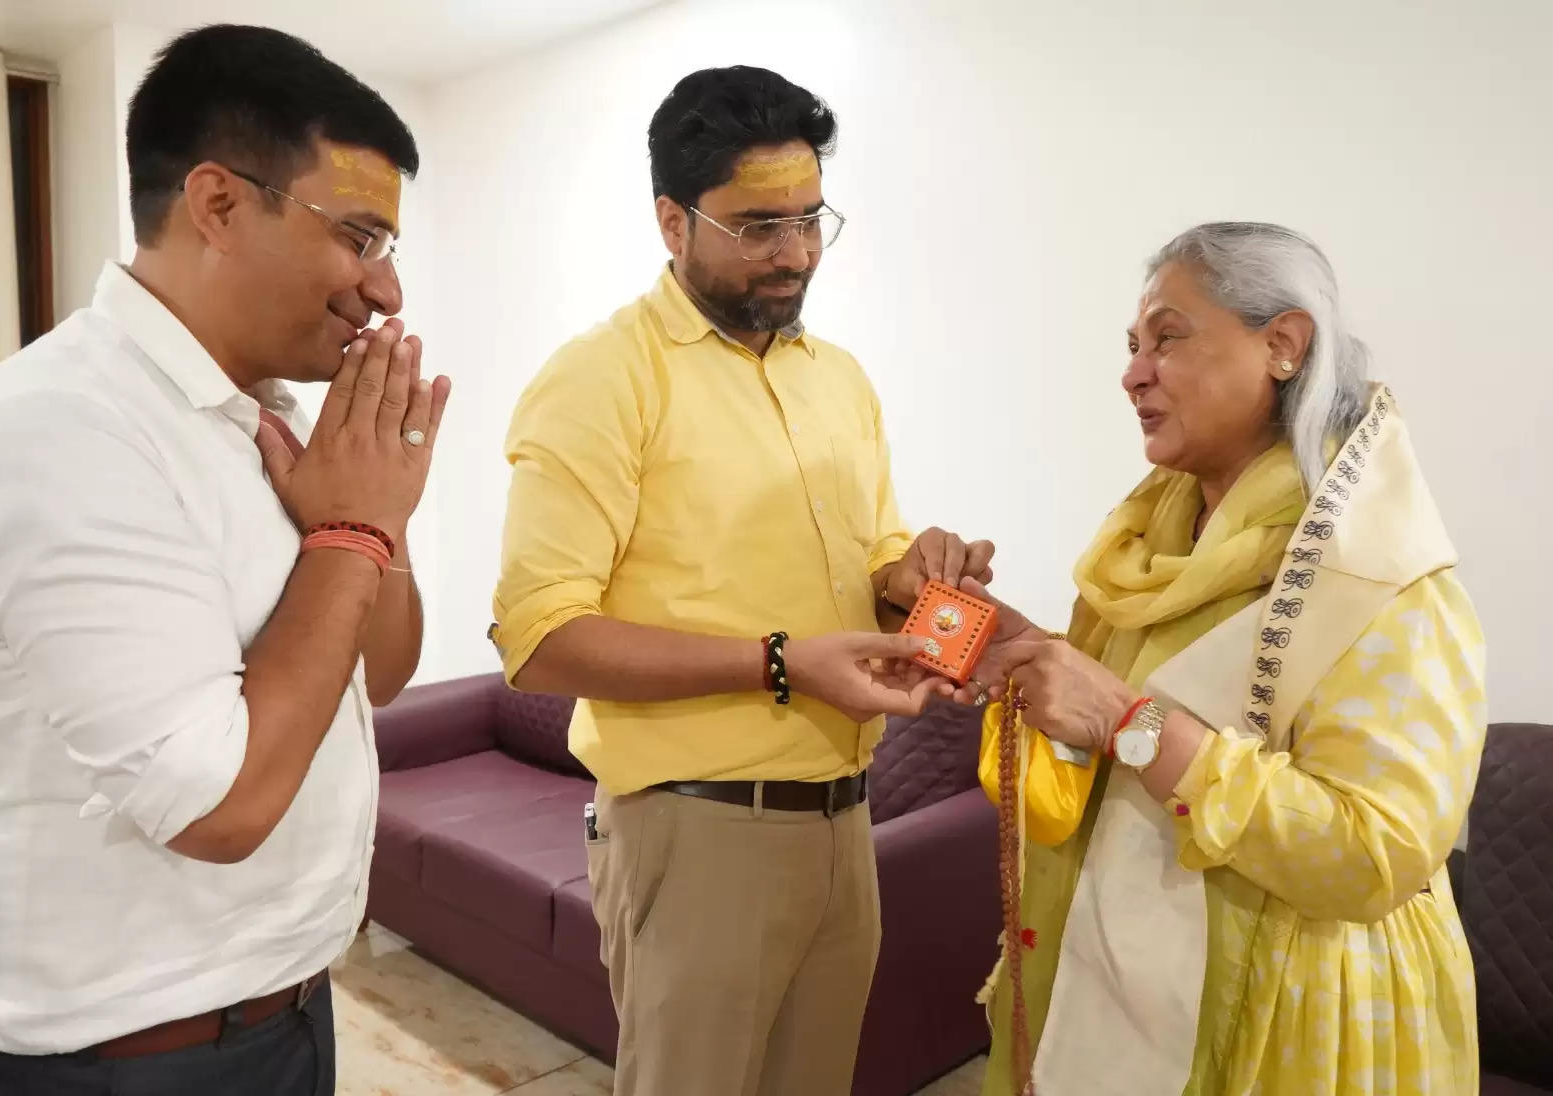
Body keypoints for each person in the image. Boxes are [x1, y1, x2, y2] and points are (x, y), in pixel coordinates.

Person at [0, 24, 449, 1096]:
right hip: (123, 1060)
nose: (388, 290)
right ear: (218, 205)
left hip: (286, 1011)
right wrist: (351, 531)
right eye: (359, 237)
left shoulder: (259, 418)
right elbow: (216, 807)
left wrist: (375, 516)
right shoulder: (60, 431)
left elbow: (377, 673)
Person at [491, 65, 991, 1096]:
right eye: (758, 226)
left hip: (848, 826)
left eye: (810, 218)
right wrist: (779, 663)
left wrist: (915, 575)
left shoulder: (837, 378)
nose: (797, 252)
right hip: (696, 830)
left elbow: (870, 560)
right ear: (672, 222)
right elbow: (539, 641)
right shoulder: (604, 377)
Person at [954, 222, 1484, 1095]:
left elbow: (1375, 853)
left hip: (1290, 1007)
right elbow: (1129, 712)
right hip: (1110, 972)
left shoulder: (1382, 580)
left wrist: (1128, 724)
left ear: (1281, 345)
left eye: (1169, 337)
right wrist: (1027, 651)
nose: (1133, 373)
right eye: (1131, 346)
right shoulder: (1152, 548)